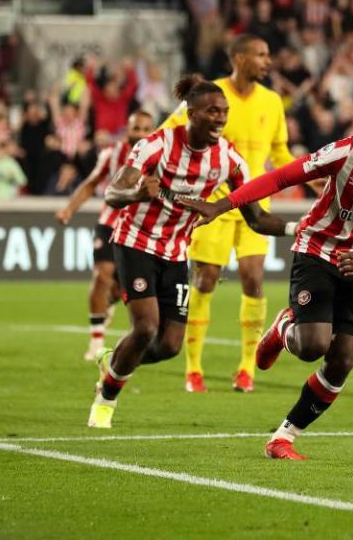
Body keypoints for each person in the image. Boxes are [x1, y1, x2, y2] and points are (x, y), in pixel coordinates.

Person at [180, 92, 353, 460]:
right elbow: (282, 176)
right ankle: (284, 329)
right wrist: (220, 205)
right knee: (312, 346)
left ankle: (283, 437)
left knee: (343, 359)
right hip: (317, 251)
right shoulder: (348, 151)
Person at [87, 77, 294, 429]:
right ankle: (106, 399)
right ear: (191, 114)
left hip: (175, 251)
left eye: (224, 112)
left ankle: (116, 361)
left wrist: (298, 228)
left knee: (169, 346)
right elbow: (112, 194)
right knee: (145, 327)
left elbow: (256, 218)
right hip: (135, 240)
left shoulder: (229, 160)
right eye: (212, 111)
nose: (220, 119)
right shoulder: (157, 145)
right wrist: (137, 194)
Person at [161, 34, 293, 394]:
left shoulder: (272, 101)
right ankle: (193, 369)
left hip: (253, 206)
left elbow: (279, 153)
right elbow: (169, 130)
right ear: (238, 57)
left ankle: (246, 369)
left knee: (253, 278)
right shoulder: (211, 96)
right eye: (261, 54)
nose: (268, 61)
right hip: (212, 205)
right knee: (206, 281)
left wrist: (312, 178)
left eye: (268, 54)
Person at [55, 111, 155, 360]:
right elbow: (90, 183)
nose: (140, 134)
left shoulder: (160, 155)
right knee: (102, 275)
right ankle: (96, 341)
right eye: (136, 128)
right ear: (127, 131)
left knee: (123, 287)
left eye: (145, 129)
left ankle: (109, 302)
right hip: (110, 223)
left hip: (141, 228)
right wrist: (69, 209)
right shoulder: (111, 155)